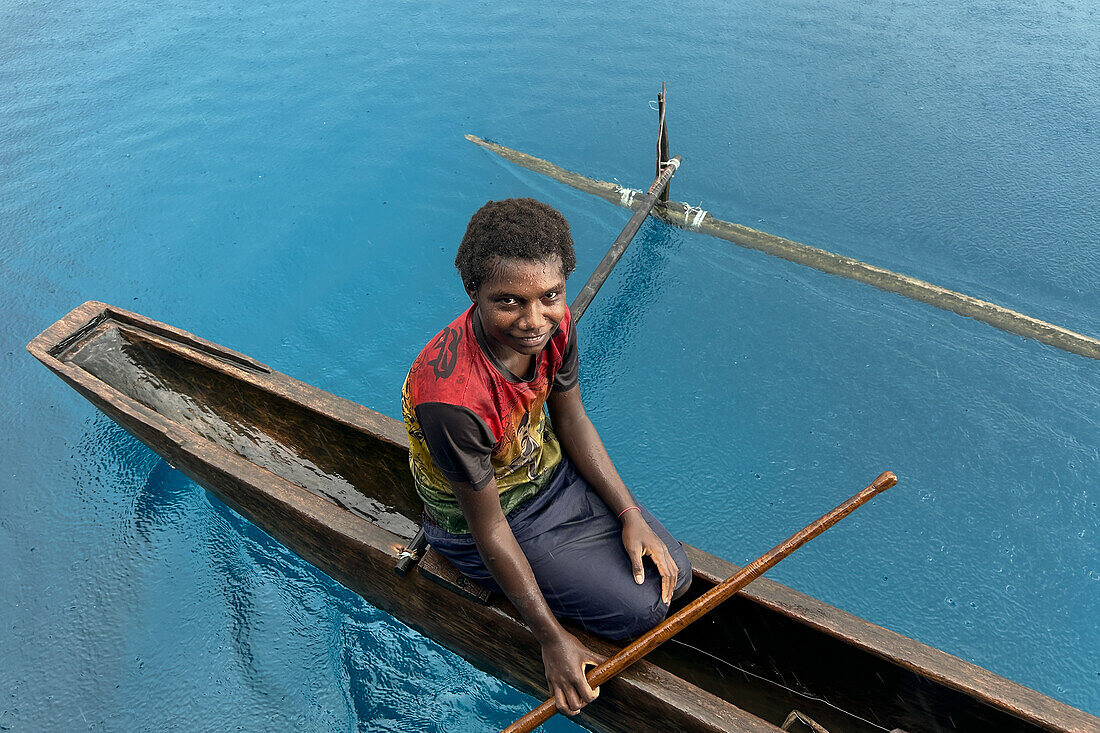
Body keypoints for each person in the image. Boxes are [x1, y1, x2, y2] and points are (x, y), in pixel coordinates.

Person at [401, 198, 691, 716]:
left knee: (678, 575)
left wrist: (630, 514)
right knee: (642, 612)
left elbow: (572, 419)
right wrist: (551, 640)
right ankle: (490, 578)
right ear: (474, 294)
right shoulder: (453, 400)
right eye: (509, 302)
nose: (534, 320)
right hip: (488, 523)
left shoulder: (556, 328)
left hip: (550, 479)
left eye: (550, 296)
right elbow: (489, 529)